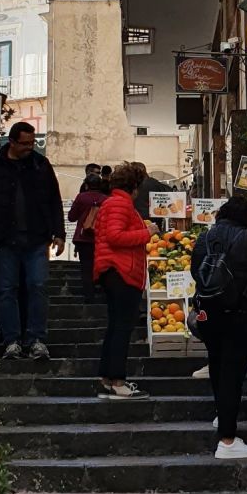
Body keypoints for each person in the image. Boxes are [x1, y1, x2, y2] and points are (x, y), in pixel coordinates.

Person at [191, 196, 247, 459]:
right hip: (239, 315)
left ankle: (223, 417)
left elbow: (197, 272)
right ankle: (227, 441)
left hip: (208, 314)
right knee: (233, 374)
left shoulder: (204, 238)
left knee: (218, 367)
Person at [0, 121, 64, 359]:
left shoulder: (41, 165)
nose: (30, 148)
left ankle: (36, 339)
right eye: (25, 143)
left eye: (32, 143)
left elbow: (54, 199)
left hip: (36, 238)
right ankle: (12, 339)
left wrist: (59, 233)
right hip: (4, 239)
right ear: (11, 142)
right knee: (6, 289)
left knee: (38, 286)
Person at [93, 162, 154, 398]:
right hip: (121, 270)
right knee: (122, 326)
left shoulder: (113, 202)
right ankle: (118, 380)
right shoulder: (120, 203)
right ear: (135, 186)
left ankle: (108, 377)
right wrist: (147, 233)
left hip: (114, 270)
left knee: (116, 325)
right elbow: (115, 236)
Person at [68, 175, 108, 302]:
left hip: (83, 237)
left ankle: (88, 295)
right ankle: (102, 293)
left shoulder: (81, 197)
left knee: (86, 267)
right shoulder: (106, 199)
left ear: (86, 185)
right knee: (102, 265)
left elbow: (72, 217)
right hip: (100, 237)